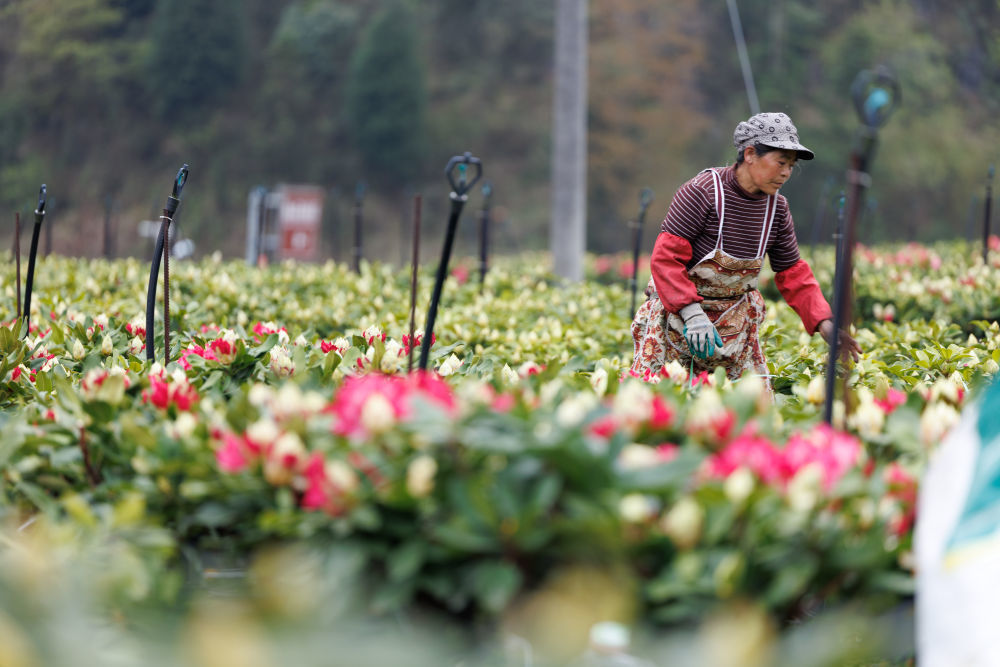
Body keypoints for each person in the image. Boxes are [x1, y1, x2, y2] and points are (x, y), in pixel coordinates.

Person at [631, 111, 860, 390]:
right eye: (781, 162)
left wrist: (825, 324)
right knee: (664, 403)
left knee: (751, 412)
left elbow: (792, 273)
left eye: (791, 165)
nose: (787, 172)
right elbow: (666, 259)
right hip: (678, 321)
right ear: (750, 153)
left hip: (734, 329)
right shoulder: (702, 192)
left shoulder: (777, 209)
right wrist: (693, 315)